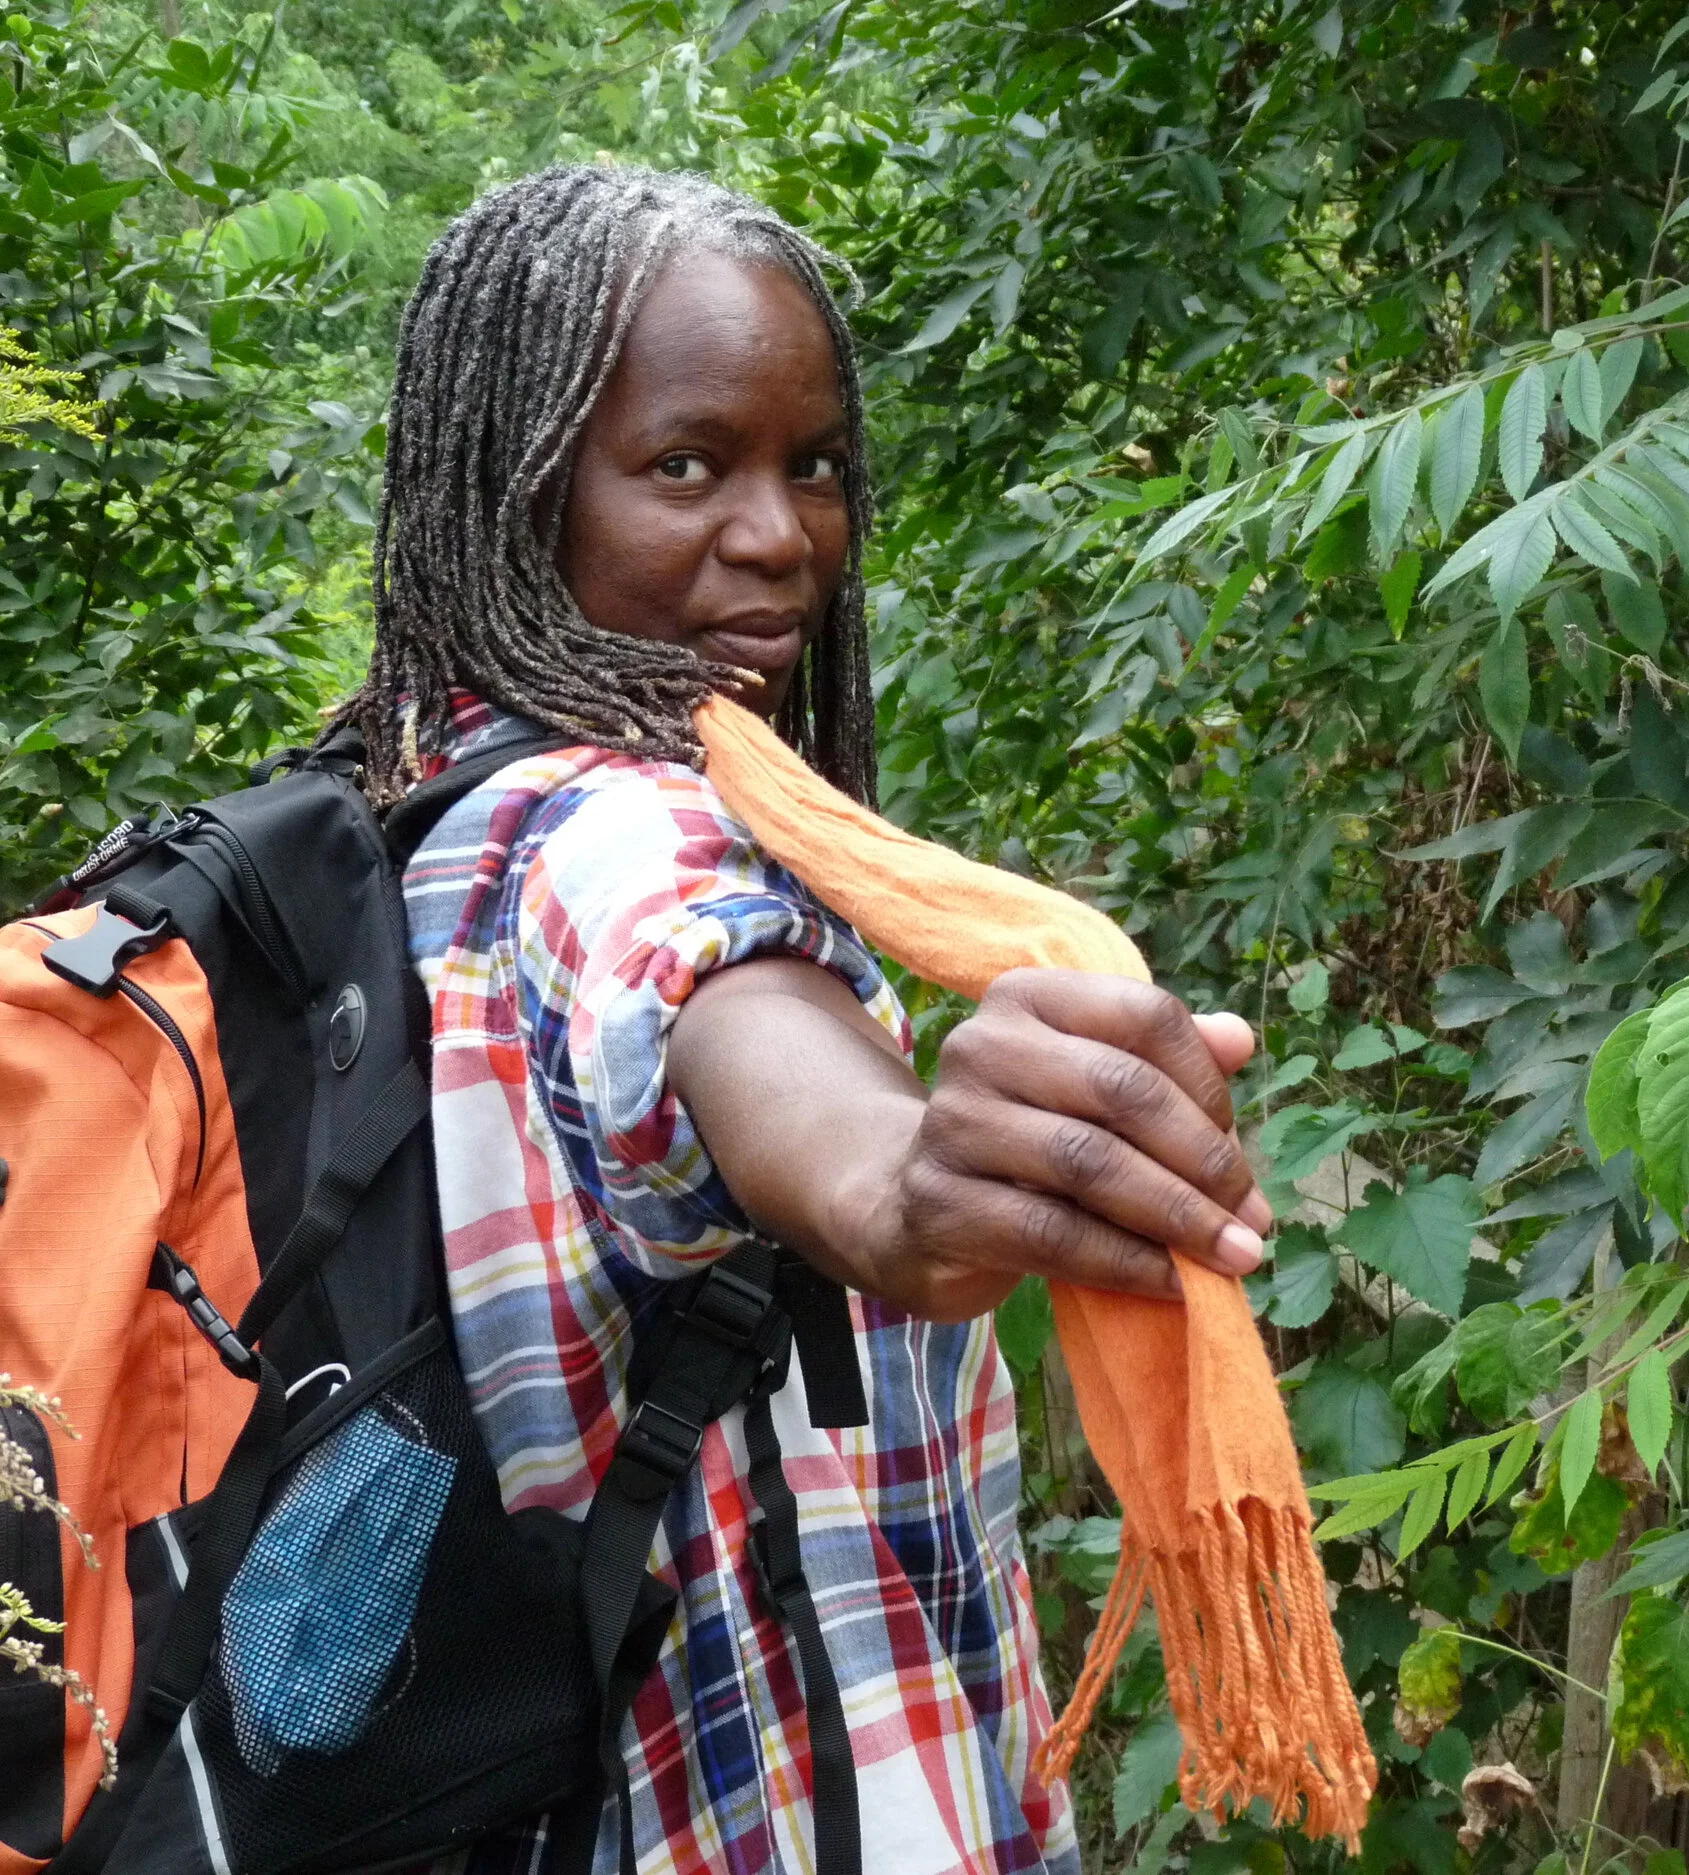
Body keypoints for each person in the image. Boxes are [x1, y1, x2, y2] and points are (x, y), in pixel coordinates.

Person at [318, 165, 1275, 1875]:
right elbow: (745, 1038)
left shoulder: (412, 806)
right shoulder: (624, 838)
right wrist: (916, 1185)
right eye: (685, 465)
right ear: (514, 483)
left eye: (813, 465)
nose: (780, 537)